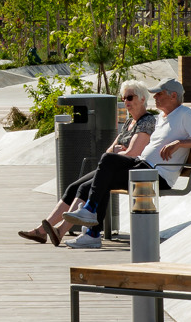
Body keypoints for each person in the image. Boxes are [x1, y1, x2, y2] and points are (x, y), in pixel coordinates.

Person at [59, 78, 191, 249]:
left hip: (156, 175)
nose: (155, 97)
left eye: (159, 94)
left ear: (173, 95)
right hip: (142, 166)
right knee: (90, 184)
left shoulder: (184, 114)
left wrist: (180, 144)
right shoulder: (161, 117)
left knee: (108, 160)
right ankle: (92, 233)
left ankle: (90, 211)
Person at [18, 80, 156, 246]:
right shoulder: (129, 123)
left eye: (130, 97)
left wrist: (119, 151)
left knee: (86, 188)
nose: (126, 101)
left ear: (142, 99)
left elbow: (133, 153)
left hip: (129, 169)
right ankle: (42, 230)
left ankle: (61, 230)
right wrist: (118, 150)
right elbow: (109, 150)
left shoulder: (146, 122)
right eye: (124, 98)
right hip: (115, 166)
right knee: (73, 187)